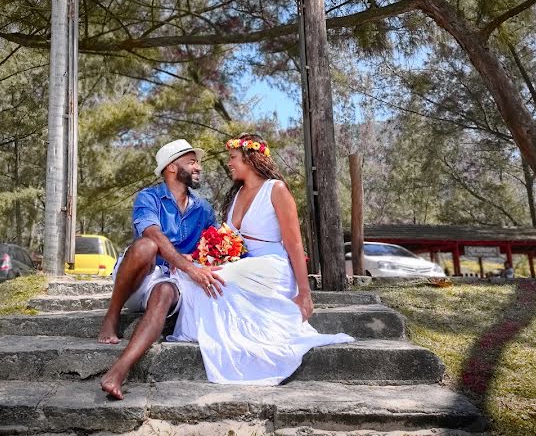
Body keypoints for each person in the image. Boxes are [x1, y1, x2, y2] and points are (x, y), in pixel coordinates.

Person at [167, 133, 353, 385]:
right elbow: (226, 239)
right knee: (195, 272)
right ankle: (211, 331)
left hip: (271, 266)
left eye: (233, 158)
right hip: (243, 263)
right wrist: (203, 256)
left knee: (217, 278)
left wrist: (304, 292)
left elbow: (295, 244)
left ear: (250, 158)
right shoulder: (237, 194)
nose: (229, 163)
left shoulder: (275, 190)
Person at [98, 139, 221, 399]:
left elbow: (216, 245)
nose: (198, 167)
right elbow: (152, 233)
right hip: (139, 277)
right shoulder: (149, 197)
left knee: (165, 291)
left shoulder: (204, 209)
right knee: (146, 246)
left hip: (171, 281)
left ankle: (117, 372)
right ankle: (112, 315)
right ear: (172, 168)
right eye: (192, 162)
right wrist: (187, 264)